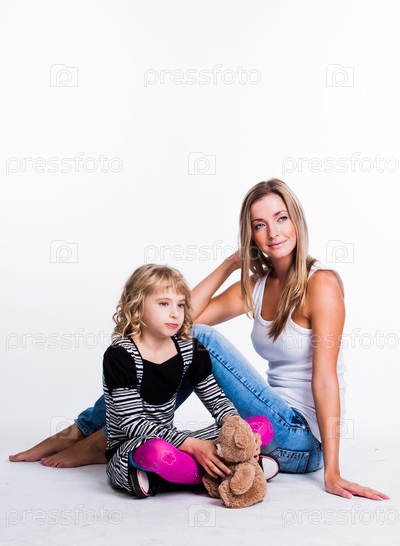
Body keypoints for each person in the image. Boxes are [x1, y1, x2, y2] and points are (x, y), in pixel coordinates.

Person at [10, 179, 389, 501]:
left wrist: (332, 471)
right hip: (263, 427)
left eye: (281, 218)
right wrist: (230, 264)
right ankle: (87, 430)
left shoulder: (320, 284)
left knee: (196, 340)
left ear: (297, 221)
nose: (273, 233)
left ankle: (100, 436)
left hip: (300, 440)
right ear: (250, 235)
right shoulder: (257, 285)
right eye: (259, 225)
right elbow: (180, 318)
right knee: (176, 334)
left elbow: (325, 380)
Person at [104, 263, 274, 496]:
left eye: (181, 304)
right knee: (158, 453)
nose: (175, 313)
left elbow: (217, 401)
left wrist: (238, 432)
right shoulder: (121, 355)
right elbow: (133, 423)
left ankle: (179, 476)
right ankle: (236, 470)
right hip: (135, 448)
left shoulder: (189, 349)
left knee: (261, 426)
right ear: (138, 304)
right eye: (164, 303)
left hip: (176, 441)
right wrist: (192, 445)